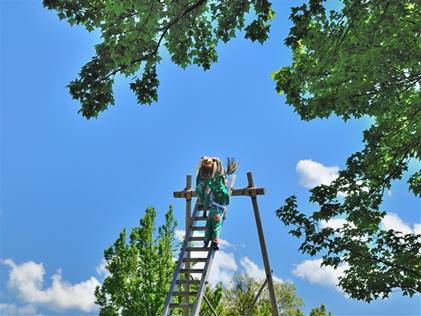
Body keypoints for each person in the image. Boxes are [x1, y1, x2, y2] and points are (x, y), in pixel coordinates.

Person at [195, 157, 238, 250]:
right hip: (218, 211)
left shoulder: (211, 187)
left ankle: (206, 242)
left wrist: (205, 210)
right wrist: (226, 202)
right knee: (216, 227)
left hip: (211, 211)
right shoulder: (221, 190)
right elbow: (227, 198)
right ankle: (214, 243)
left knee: (208, 227)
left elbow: (206, 197)